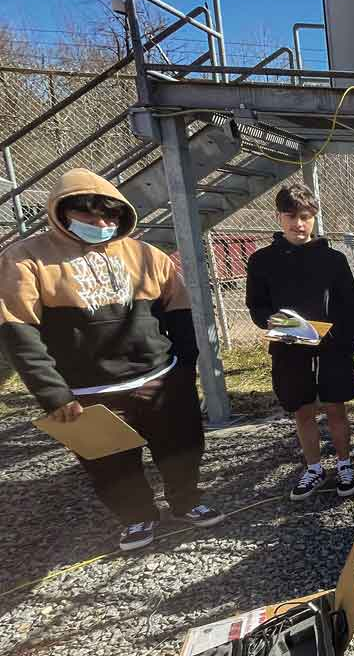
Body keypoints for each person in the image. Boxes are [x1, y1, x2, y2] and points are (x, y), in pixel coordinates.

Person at [0, 169, 224, 551]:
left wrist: (186, 366)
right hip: (87, 390)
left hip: (159, 377)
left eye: (110, 216)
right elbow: (19, 331)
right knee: (109, 461)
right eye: (88, 216)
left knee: (182, 446)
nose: (101, 224)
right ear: (62, 213)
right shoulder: (27, 260)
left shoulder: (145, 255)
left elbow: (180, 311)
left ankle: (186, 501)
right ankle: (137, 516)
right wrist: (53, 394)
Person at [246, 183, 354, 501]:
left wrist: (346, 341)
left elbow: (348, 304)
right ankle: (313, 467)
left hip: (332, 348)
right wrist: (273, 322)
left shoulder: (333, 259)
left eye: (306, 216)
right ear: (279, 217)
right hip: (288, 348)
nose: (299, 223)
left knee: (337, 408)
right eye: (291, 216)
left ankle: (344, 463)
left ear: (314, 218)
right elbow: (257, 306)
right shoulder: (261, 261)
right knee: (303, 411)